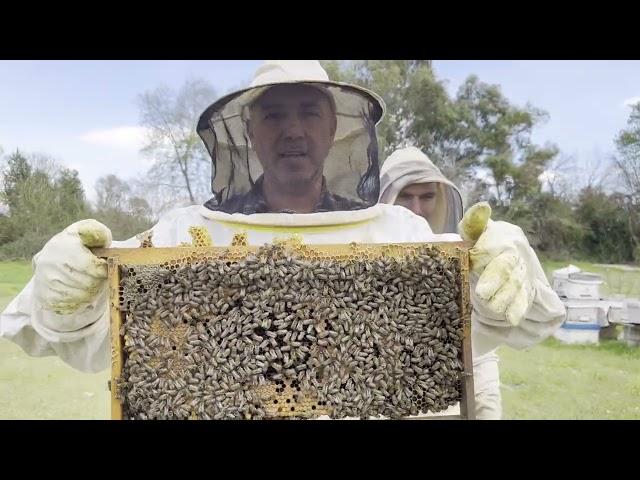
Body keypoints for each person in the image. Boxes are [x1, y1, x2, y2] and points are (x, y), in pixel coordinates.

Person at [379, 146, 566, 418]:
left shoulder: (467, 252)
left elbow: (539, 320)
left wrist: (519, 265)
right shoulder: (364, 261)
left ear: (441, 198)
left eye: (428, 196)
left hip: (470, 378)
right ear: (385, 199)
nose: (417, 209)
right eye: (405, 196)